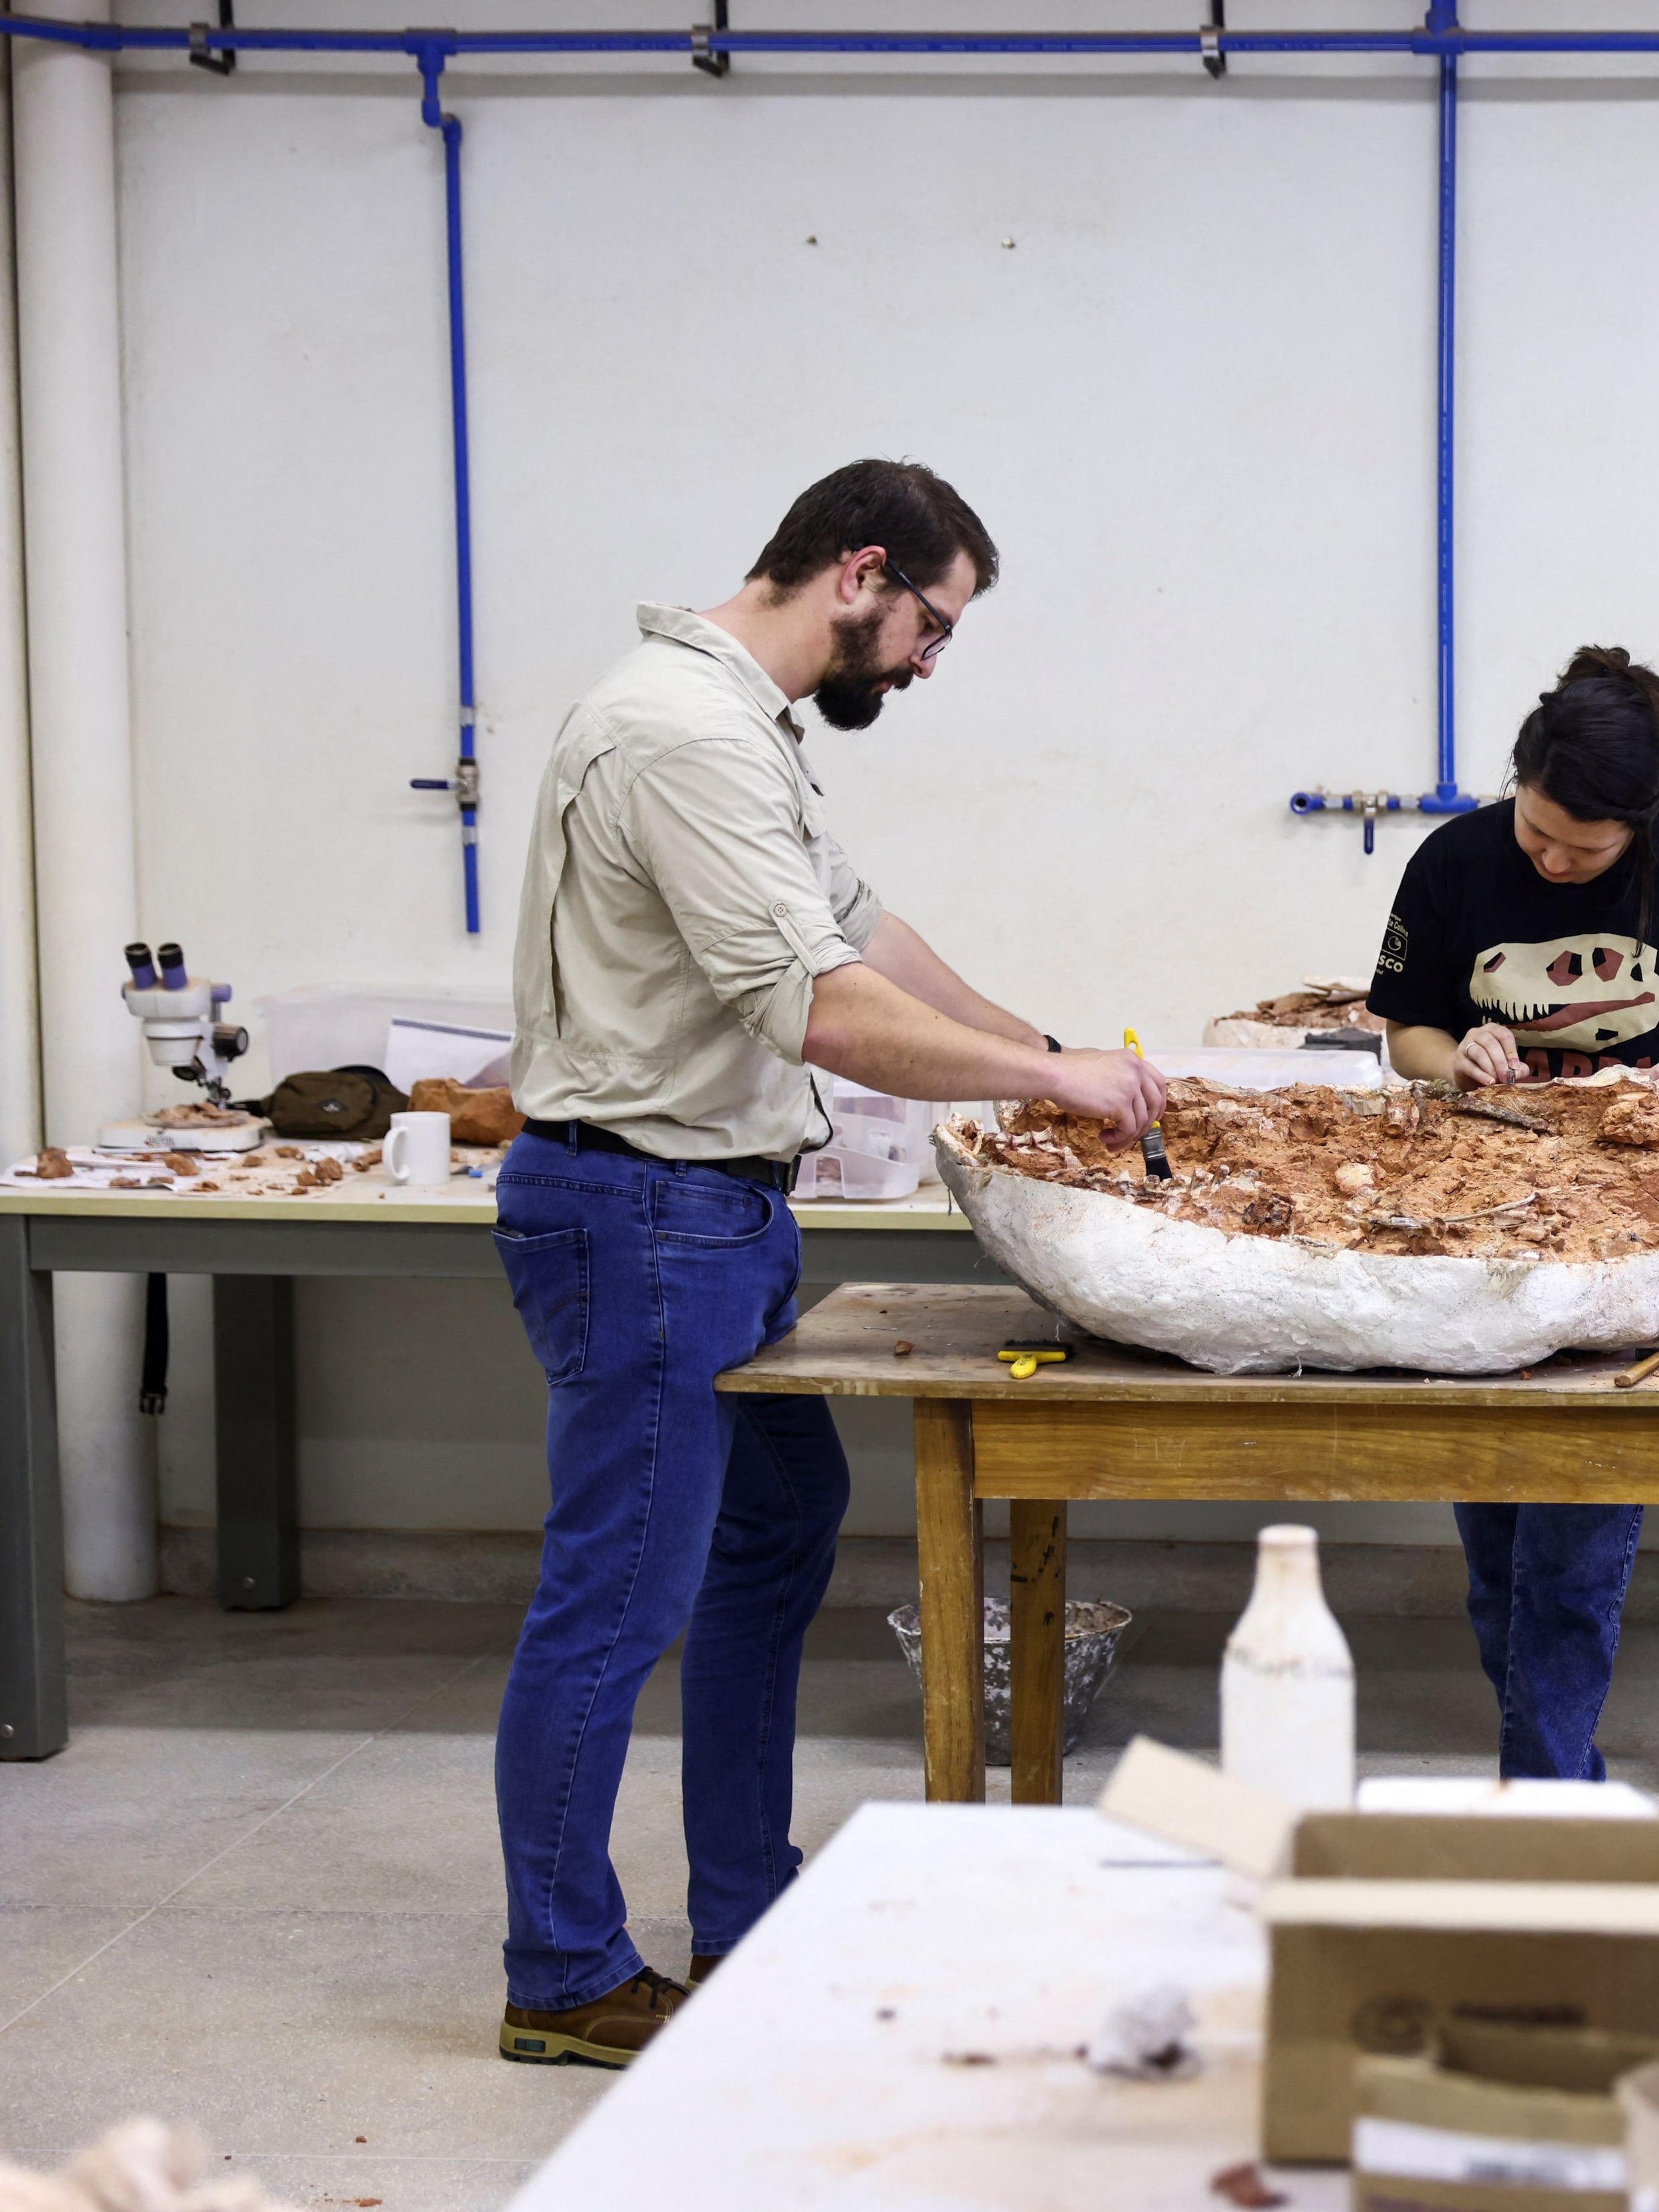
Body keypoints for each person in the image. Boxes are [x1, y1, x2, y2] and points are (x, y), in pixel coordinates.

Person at [490, 460, 1162, 2067]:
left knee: (773, 1527)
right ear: (861, 571)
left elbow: (865, 935)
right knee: (616, 1594)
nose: (930, 661)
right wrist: (1047, 1086)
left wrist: (1050, 1043)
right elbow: (825, 1010)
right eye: (933, 624)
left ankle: (743, 1903)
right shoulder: (679, 733)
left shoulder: (742, 731)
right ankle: (565, 1969)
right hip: (641, 1208)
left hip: (713, 1213)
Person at [1367, 645, 1659, 1781]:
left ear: (1642, 820)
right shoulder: (1454, 859)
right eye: (1538, 834)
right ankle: (1549, 1758)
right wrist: (1452, 1054)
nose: (1556, 861)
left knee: (1573, 1534)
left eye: (1588, 848)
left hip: (1634, 1224)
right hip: (1485, 1224)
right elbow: (1402, 1028)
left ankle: (1550, 1787)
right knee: (1497, 1537)